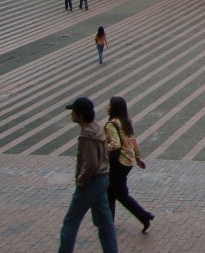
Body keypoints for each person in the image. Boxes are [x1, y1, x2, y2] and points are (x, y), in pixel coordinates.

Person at [58, 97, 118, 253]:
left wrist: (80, 180)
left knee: (70, 222)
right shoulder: (97, 128)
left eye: (73, 112)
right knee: (105, 223)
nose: (71, 114)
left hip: (91, 183)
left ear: (80, 115)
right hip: (103, 180)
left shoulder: (87, 136)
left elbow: (90, 164)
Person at [104, 96, 154, 233]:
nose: (106, 107)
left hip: (119, 161)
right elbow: (133, 141)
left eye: (109, 105)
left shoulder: (111, 124)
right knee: (110, 191)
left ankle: (144, 216)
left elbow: (115, 144)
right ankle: (108, 221)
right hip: (128, 161)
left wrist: (102, 149)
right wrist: (138, 157)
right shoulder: (125, 122)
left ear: (114, 108)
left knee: (120, 194)